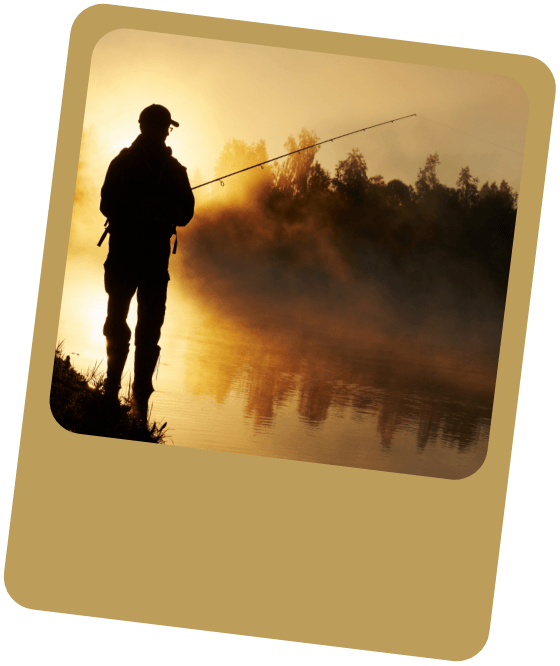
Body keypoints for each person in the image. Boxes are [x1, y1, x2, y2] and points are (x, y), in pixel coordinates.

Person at [99, 104, 195, 423]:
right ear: (148, 127)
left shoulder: (166, 169)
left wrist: (164, 211)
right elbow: (107, 204)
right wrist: (143, 209)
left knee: (138, 327)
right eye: (159, 126)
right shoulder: (133, 164)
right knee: (128, 325)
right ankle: (120, 396)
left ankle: (131, 398)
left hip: (144, 263)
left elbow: (185, 212)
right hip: (135, 260)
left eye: (163, 127)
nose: (161, 132)